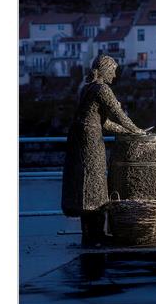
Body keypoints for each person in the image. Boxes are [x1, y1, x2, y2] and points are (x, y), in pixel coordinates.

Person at [61, 54, 146, 246]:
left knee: (87, 183)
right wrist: (137, 130)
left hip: (79, 138)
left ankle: (89, 234)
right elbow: (118, 115)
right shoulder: (102, 89)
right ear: (106, 70)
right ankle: (97, 234)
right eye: (114, 71)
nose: (115, 76)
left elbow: (104, 122)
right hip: (90, 140)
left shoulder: (87, 88)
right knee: (96, 182)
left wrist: (126, 131)